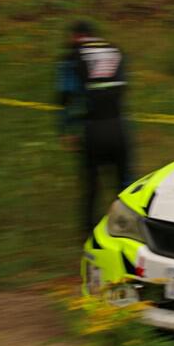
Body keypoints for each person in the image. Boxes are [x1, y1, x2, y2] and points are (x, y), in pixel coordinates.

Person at [57, 20, 132, 236]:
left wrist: (66, 129)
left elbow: (66, 96)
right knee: (124, 182)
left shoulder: (72, 58)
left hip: (93, 128)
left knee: (91, 184)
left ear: (76, 36)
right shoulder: (116, 51)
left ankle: (88, 233)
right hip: (119, 125)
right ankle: (127, 230)